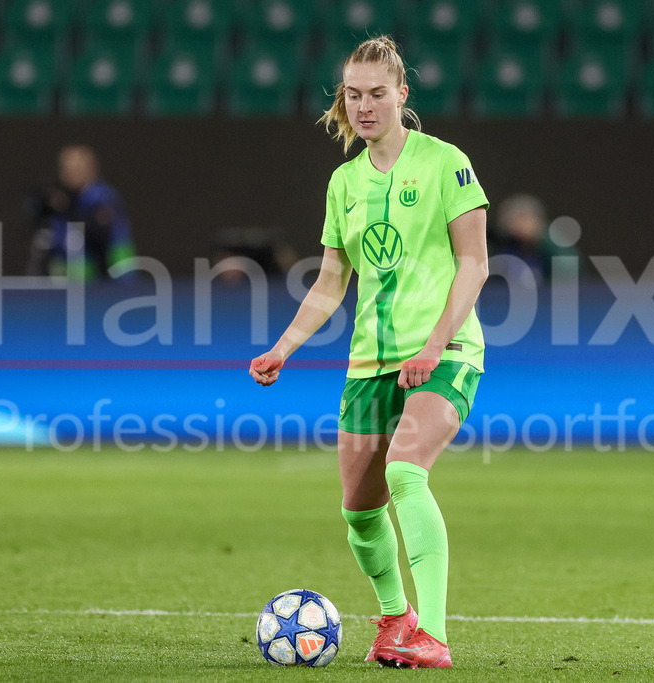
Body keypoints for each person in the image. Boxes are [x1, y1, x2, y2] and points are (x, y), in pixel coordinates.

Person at [249, 36, 489, 669]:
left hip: (446, 352)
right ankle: (394, 618)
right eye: (352, 95)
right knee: (359, 512)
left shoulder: (446, 164)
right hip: (368, 364)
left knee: (407, 473)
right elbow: (332, 282)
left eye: (377, 94)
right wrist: (283, 348)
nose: (364, 106)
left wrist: (436, 346)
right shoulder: (344, 183)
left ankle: (431, 634)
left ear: (401, 95)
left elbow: (476, 263)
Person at [46, 145, 136, 280]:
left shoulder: (103, 197)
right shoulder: (59, 200)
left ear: (92, 169)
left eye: (78, 168)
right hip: (69, 285)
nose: (71, 173)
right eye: (67, 168)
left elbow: (99, 232)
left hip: (110, 284)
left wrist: (68, 209)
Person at [493, 192, 581, 285]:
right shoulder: (504, 246)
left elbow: (568, 271)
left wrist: (541, 239)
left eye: (523, 218)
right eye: (512, 220)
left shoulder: (553, 245)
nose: (519, 226)